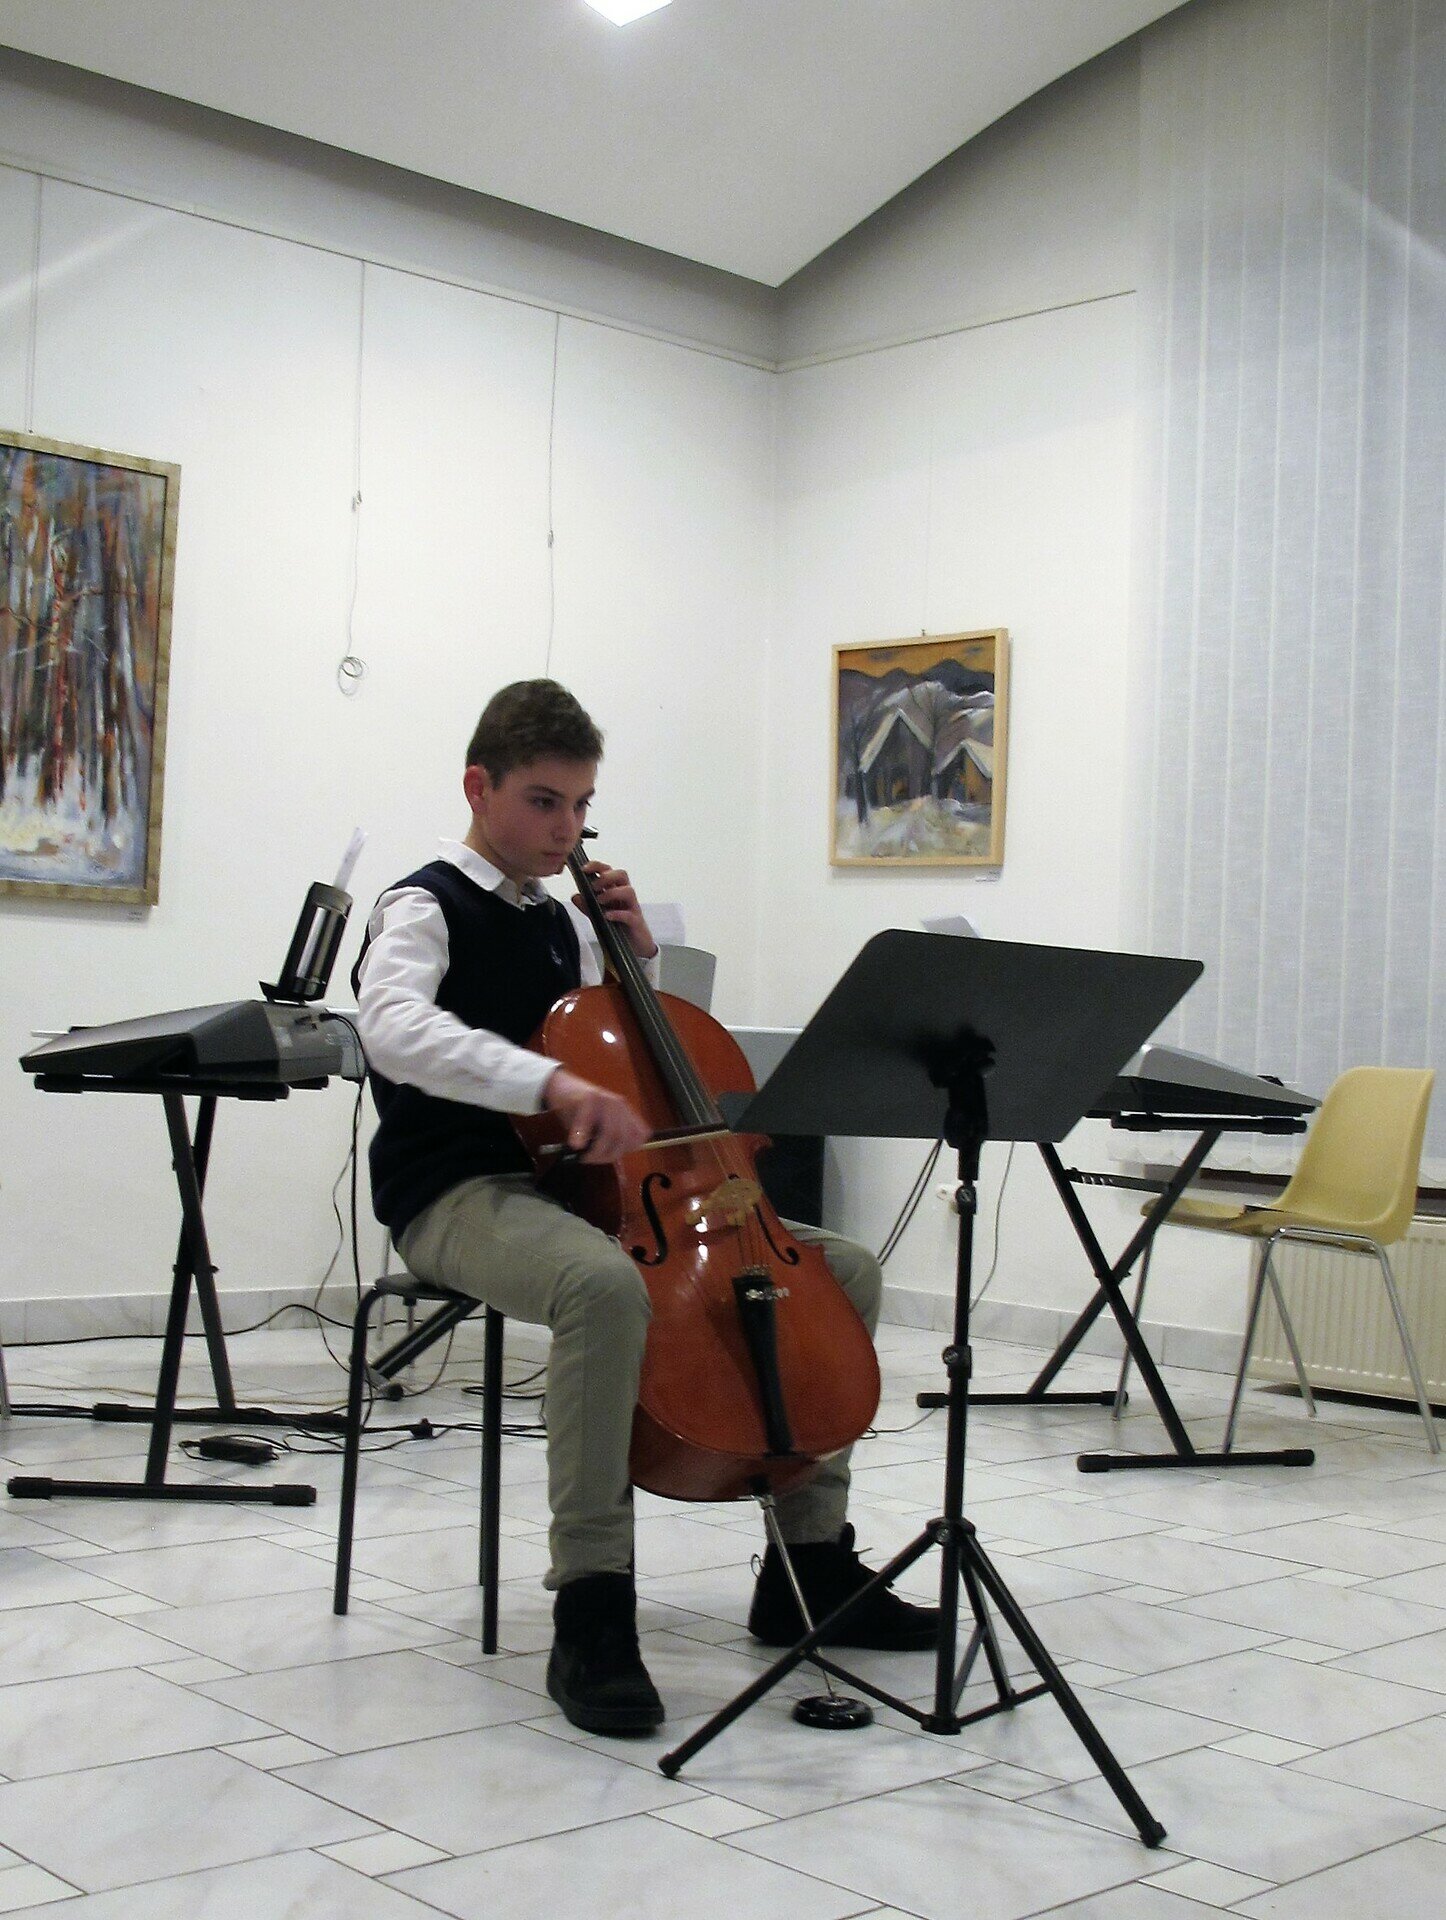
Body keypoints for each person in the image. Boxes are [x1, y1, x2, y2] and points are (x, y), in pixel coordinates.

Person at [354, 678, 937, 1736]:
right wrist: (541, 1082)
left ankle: (807, 1568)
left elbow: (634, 1062)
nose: (565, 829)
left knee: (841, 1269)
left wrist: (635, 958)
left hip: (594, 1190)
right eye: (543, 802)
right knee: (600, 1284)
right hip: (459, 1190)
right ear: (479, 787)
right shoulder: (423, 905)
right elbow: (391, 1029)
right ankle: (591, 1604)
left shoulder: (565, 924)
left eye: (581, 806)